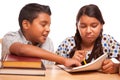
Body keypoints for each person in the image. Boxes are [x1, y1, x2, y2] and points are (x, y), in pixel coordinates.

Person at [2, 3, 80, 67]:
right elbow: (21, 50)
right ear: (26, 24)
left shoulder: (48, 42)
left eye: (49, 25)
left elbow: (50, 70)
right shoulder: (10, 37)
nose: (48, 29)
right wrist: (64, 60)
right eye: (43, 25)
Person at [56, 4, 120, 73]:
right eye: (83, 26)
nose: (88, 31)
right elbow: (55, 70)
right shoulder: (67, 44)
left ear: (101, 25)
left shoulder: (108, 42)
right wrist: (70, 63)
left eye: (94, 26)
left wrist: (116, 67)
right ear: (77, 26)